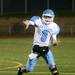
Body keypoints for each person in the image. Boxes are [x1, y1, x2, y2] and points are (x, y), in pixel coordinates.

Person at [17, 9, 60, 75]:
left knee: (53, 67)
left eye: (49, 17)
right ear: (43, 16)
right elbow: (31, 22)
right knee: (29, 69)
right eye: (46, 16)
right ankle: (21, 70)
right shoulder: (38, 21)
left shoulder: (55, 26)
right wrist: (28, 22)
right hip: (36, 49)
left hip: (46, 49)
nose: (47, 18)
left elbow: (54, 39)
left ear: (52, 17)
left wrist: (55, 42)